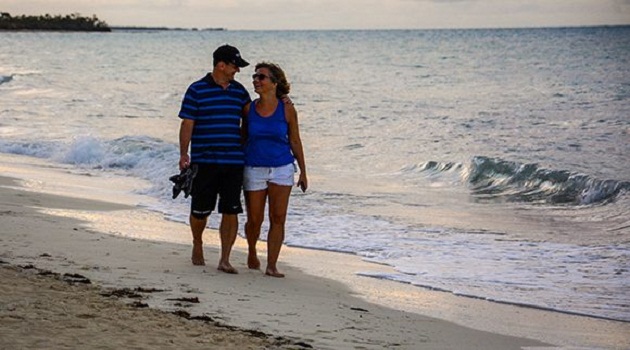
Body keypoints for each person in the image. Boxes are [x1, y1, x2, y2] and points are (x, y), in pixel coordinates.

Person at [178, 44, 251, 274]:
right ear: (221, 65)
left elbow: (253, 119)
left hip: (234, 162)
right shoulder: (196, 90)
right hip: (204, 160)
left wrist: (283, 99)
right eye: (234, 66)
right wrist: (183, 153)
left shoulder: (240, 92)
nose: (237, 70)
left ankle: (225, 259)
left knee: (231, 210)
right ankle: (197, 242)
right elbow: (187, 123)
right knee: (201, 210)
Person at [242, 62, 308, 278]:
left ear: (274, 82)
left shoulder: (287, 108)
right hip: (254, 167)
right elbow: (243, 139)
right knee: (255, 219)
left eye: (261, 77)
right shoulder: (249, 109)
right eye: (255, 76)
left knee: (278, 217)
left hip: (282, 167)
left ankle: (272, 265)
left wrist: (304, 172)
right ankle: (252, 251)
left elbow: (295, 140)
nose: (256, 80)